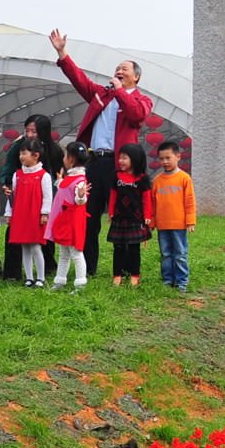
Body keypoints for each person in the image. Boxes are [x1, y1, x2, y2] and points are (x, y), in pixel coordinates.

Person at [49, 29, 153, 277]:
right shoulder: (101, 95)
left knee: (125, 217)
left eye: (125, 69)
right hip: (94, 163)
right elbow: (79, 79)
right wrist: (62, 52)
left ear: (136, 77)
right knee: (88, 216)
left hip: (121, 167)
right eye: (117, 68)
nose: (119, 71)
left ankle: (127, 270)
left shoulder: (142, 100)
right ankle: (89, 269)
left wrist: (118, 91)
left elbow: (136, 116)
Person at [150, 139, 197, 293]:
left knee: (180, 254)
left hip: (179, 224)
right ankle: (168, 279)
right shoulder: (157, 181)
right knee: (165, 254)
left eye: (168, 158)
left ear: (178, 156)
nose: (164, 161)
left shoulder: (184, 178)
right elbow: (153, 203)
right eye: (161, 158)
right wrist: (152, 222)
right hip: (163, 225)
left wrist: (190, 221)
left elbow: (190, 201)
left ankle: (182, 281)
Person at [104, 144, 154, 287]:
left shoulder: (142, 179)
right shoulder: (116, 176)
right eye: (120, 158)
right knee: (118, 248)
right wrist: (111, 211)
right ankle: (117, 275)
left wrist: (147, 215)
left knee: (134, 249)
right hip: (119, 219)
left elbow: (146, 198)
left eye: (124, 158)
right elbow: (113, 194)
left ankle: (134, 275)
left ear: (135, 159)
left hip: (135, 219)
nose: (120, 161)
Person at [7, 138, 53, 288]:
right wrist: (9, 213)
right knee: (24, 247)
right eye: (21, 153)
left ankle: (40, 277)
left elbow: (48, 197)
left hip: (35, 216)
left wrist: (45, 214)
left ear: (36, 155)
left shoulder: (44, 176)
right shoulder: (17, 175)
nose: (21, 156)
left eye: (24, 153)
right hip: (20, 215)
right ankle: (29, 277)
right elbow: (12, 196)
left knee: (35, 247)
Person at [46, 141, 91, 291]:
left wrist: (81, 196)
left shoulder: (79, 180)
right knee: (64, 252)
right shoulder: (70, 178)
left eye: (65, 155)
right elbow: (64, 189)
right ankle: (60, 281)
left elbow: (80, 200)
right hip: (64, 221)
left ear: (71, 159)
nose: (64, 158)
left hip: (72, 222)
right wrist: (60, 181)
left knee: (76, 253)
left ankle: (80, 283)